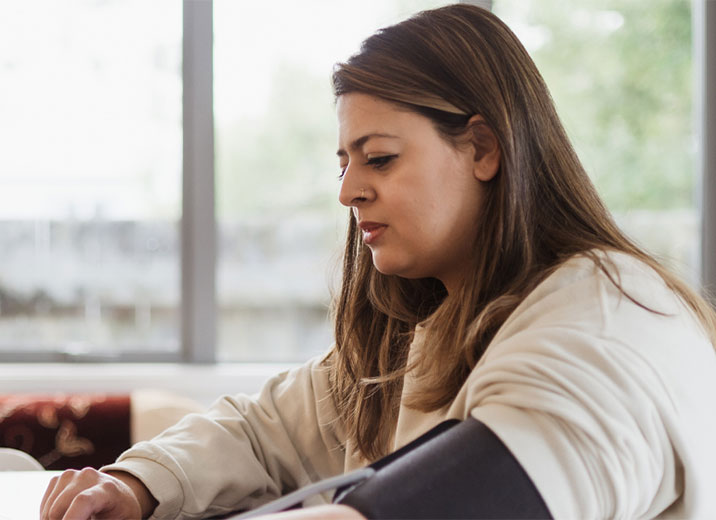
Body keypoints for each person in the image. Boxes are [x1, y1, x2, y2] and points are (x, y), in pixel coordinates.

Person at [40, 4, 716, 519]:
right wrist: (136, 486)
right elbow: (264, 428)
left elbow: (462, 498)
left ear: (483, 148)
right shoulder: (434, 327)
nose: (347, 191)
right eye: (344, 162)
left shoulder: (610, 320)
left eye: (380, 157)